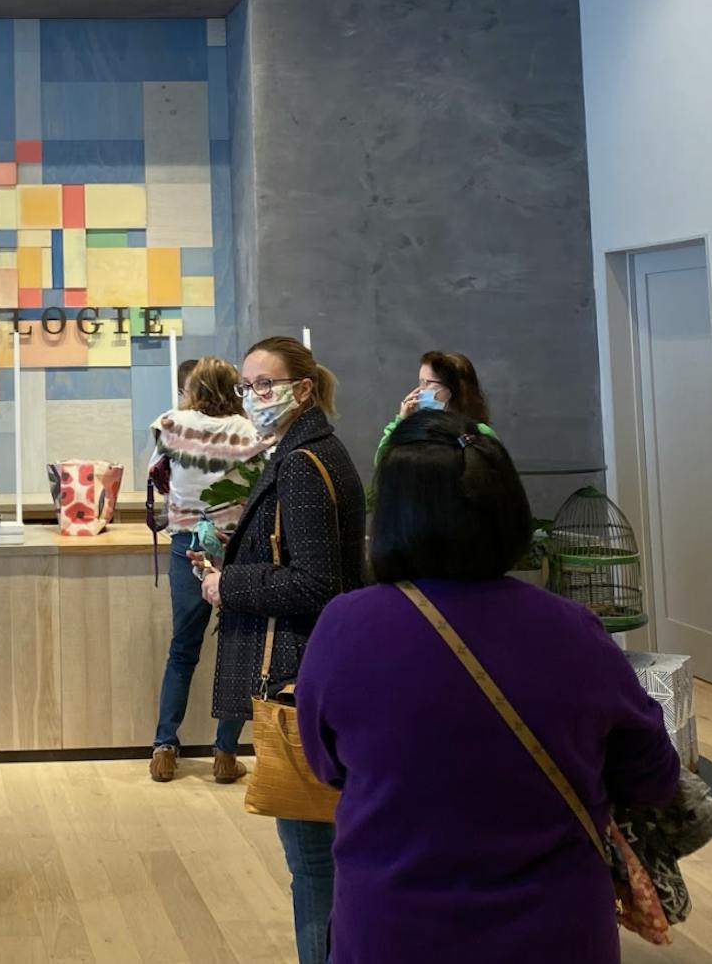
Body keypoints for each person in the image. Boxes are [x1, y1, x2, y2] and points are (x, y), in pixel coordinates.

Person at [297, 410, 680, 964]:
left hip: (394, 930)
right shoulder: (574, 630)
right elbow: (652, 776)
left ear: (390, 517)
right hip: (557, 932)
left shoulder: (345, 627)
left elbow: (326, 765)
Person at [196, 336, 364, 964]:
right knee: (324, 856)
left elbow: (317, 581)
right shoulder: (307, 450)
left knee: (313, 862)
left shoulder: (301, 460)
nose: (254, 397)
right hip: (324, 666)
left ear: (303, 387)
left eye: (265, 385)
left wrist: (226, 584)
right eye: (247, 387)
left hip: (302, 675)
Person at [148, 357, 269, 784]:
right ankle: (224, 753)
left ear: (194, 388)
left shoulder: (172, 425)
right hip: (238, 549)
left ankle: (164, 748)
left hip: (188, 545)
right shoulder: (250, 431)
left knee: (182, 649)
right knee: (236, 651)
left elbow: (159, 478)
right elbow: (264, 482)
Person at [375, 350, 495, 464]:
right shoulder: (420, 431)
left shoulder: (480, 434)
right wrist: (401, 423)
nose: (419, 390)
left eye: (426, 383)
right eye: (420, 382)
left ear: (449, 389)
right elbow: (382, 462)